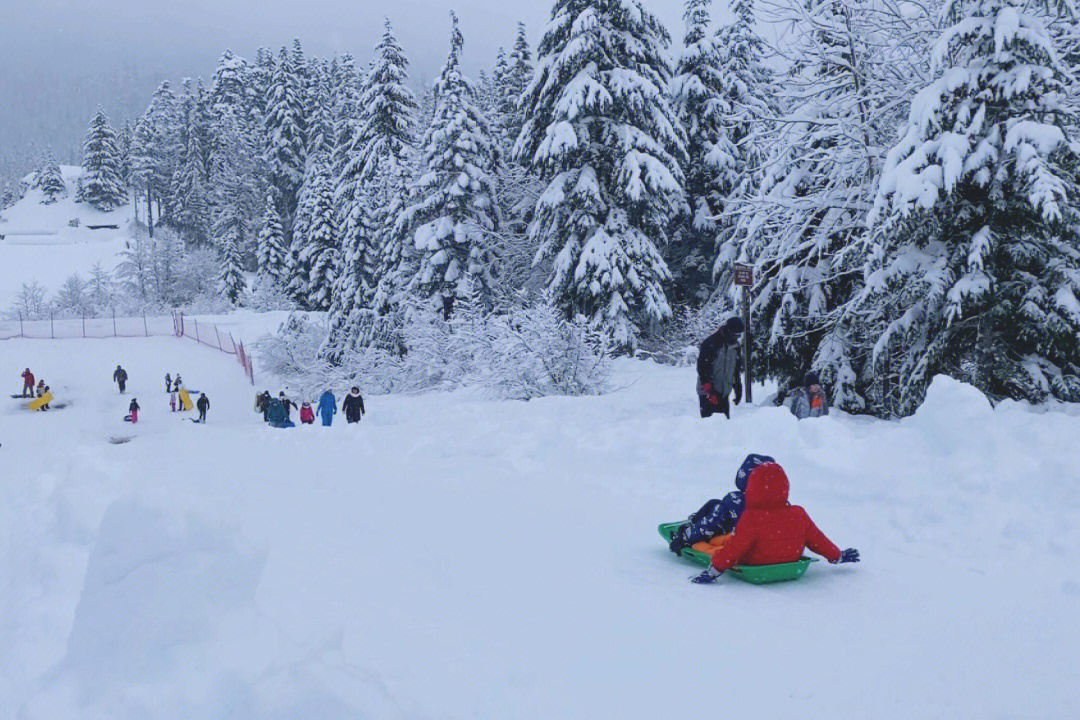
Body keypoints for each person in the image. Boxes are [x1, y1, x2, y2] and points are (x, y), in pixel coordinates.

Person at [690, 460, 860, 584]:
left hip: (755, 563)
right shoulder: (798, 513)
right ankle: (713, 541)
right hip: (789, 560)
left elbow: (735, 550)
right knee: (732, 539)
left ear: (752, 490)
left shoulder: (752, 518)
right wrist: (837, 555)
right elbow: (818, 540)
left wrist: (714, 571)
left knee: (719, 545)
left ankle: (698, 544)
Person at [668, 454, 774, 556]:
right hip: (768, 544)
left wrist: (684, 538)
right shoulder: (779, 503)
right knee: (714, 503)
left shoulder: (735, 501)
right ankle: (694, 522)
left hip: (738, 542)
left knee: (712, 518)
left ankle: (692, 528)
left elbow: (710, 525)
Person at [697, 317, 744, 419]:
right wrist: (710, 392)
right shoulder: (711, 344)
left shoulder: (735, 347)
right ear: (727, 330)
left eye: (738, 336)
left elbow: (735, 369)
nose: (735, 338)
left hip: (724, 393)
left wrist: (738, 387)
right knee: (710, 428)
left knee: (724, 429)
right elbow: (703, 368)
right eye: (734, 335)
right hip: (708, 393)